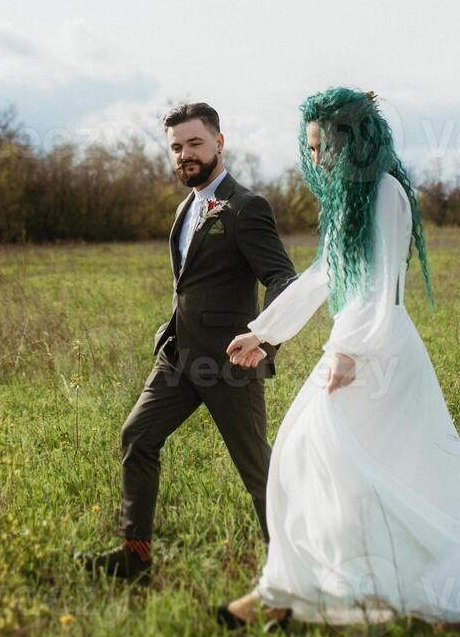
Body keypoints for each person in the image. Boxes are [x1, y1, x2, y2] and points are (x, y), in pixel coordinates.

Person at [215, 87, 460, 634]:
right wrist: (262, 332)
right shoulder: (349, 199)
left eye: (323, 147)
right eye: (309, 149)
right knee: (325, 467)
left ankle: (437, 594)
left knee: (330, 461)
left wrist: (347, 352)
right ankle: (291, 593)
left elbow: (380, 283)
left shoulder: (382, 192)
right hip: (356, 346)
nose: (315, 159)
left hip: (374, 351)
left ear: (353, 140)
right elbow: (323, 276)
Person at [75, 101, 297, 581]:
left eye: (194, 143)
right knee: (138, 436)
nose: (184, 155)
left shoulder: (245, 207)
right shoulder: (185, 208)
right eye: (176, 148)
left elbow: (282, 277)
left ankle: (292, 572)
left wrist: (265, 338)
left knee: (258, 472)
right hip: (178, 358)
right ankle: (134, 556)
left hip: (229, 365)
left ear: (219, 142)